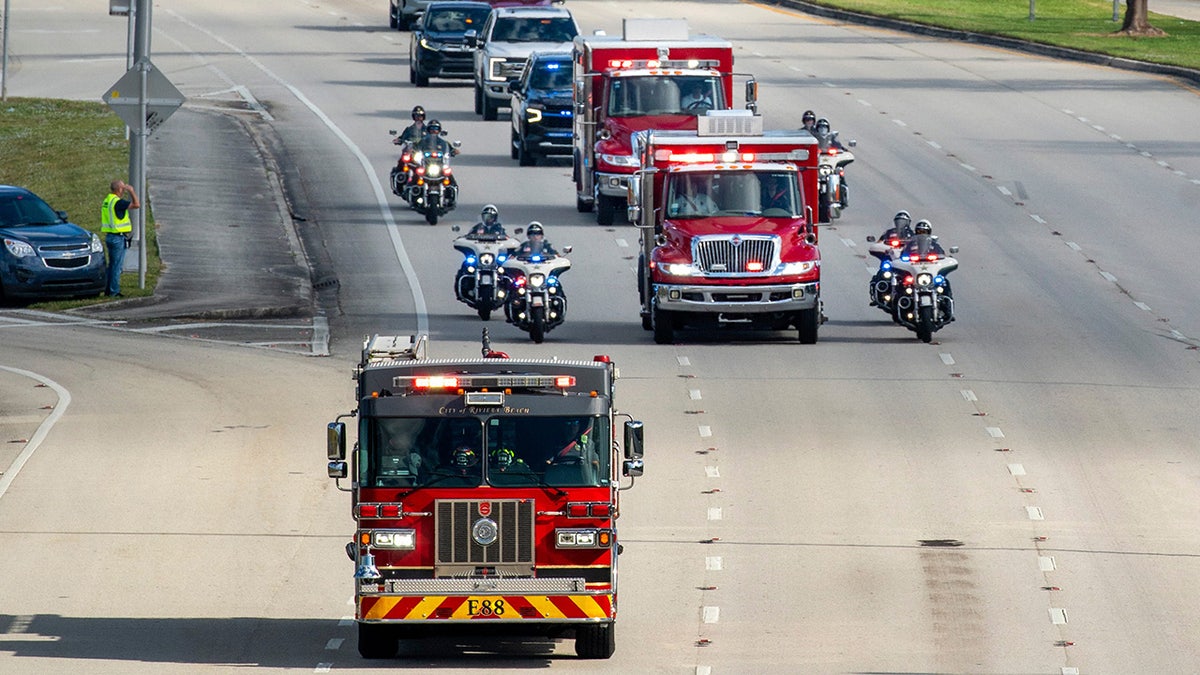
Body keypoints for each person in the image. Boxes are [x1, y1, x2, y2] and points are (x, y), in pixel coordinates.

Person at [100, 179, 140, 298]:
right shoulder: (118, 202)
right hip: (117, 237)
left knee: (112, 265)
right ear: (119, 189)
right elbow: (136, 205)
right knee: (117, 266)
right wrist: (132, 191)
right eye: (123, 188)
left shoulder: (107, 200)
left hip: (109, 236)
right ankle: (114, 291)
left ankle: (107, 289)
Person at [868, 210, 916, 307]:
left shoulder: (912, 234)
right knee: (882, 272)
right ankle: (879, 292)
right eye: (899, 221)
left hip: (904, 261)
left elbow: (917, 247)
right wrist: (883, 248)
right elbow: (879, 243)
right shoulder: (888, 233)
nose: (901, 223)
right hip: (890, 258)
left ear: (908, 222)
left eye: (903, 221)